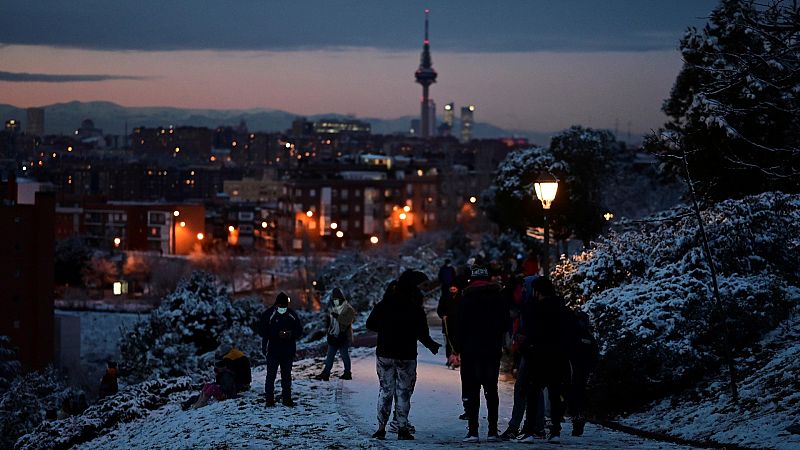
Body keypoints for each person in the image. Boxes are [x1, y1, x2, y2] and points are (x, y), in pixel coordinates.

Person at [366, 270, 441, 441]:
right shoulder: (415, 309)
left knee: (385, 390)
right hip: (406, 355)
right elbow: (422, 333)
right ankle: (402, 429)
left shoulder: (384, 304)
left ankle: (381, 429)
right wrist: (431, 345)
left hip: (385, 353)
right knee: (403, 393)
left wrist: (386, 330)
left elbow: (370, 324)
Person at [517, 277, 579, 443]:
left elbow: (529, 334)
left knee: (533, 393)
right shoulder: (564, 310)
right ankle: (555, 431)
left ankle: (530, 430)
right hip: (559, 357)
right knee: (555, 394)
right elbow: (571, 335)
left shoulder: (535, 310)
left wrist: (526, 349)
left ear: (537, 291)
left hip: (538, 356)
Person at [452, 265, 509, 443]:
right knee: (491, 390)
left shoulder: (466, 299)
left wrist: (458, 348)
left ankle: (473, 431)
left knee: (472, 389)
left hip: (471, 350)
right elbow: (506, 322)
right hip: (492, 349)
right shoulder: (498, 298)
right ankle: (492, 431)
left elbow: (458, 325)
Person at [501, 275, 546, 441]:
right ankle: (536, 426)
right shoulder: (529, 306)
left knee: (524, 389)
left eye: (525, 288)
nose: (524, 291)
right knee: (533, 390)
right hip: (527, 351)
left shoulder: (529, 308)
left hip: (530, 352)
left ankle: (521, 426)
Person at [258, 291, 304, 407]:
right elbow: (262, 331)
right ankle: (269, 400)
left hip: (287, 351)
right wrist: (276, 334)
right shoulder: (268, 315)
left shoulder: (291, 315)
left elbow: (299, 330)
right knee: (271, 376)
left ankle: (287, 399)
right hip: (272, 350)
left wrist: (290, 334)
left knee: (286, 376)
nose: (283, 308)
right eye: (281, 306)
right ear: (277, 304)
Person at [315, 287, 356, 381]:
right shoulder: (332, 308)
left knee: (344, 355)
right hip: (333, 335)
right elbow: (329, 323)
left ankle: (347, 373)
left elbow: (347, 321)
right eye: (334, 299)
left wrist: (337, 317)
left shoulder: (348, 308)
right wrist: (328, 329)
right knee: (330, 356)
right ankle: (326, 373)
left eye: (337, 299)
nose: (335, 301)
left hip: (343, 336)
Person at [568, 310, 599, 436]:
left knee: (576, 397)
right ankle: (577, 419)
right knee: (576, 397)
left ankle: (577, 420)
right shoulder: (586, 337)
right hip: (576, 371)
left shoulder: (584, 337)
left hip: (578, 371)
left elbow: (594, 355)